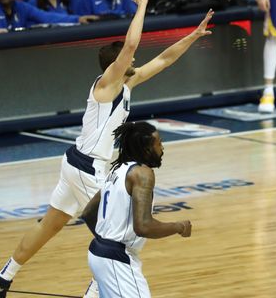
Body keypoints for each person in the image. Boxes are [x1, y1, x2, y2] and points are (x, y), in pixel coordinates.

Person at [0, 0, 213, 298]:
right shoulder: (106, 85)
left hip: (74, 164)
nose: (133, 62)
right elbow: (130, 47)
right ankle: (94, 292)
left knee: (49, 225)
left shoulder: (126, 84)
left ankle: (2, 278)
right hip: (90, 169)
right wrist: (142, 5)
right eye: (127, 61)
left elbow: (164, 59)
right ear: (116, 65)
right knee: (118, 237)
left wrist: (192, 35)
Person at [81, 122, 193, 298]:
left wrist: (105, 242)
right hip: (117, 258)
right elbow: (143, 227)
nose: (162, 148)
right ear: (146, 148)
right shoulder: (142, 173)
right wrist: (179, 226)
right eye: (159, 143)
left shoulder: (118, 169)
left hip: (98, 253)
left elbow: (88, 213)